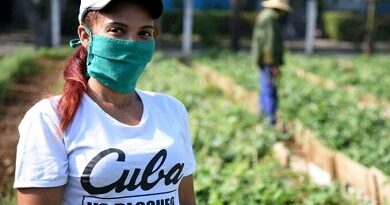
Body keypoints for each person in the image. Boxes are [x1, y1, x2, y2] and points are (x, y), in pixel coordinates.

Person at [13, 0, 197, 204]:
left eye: (144, 33)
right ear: (85, 36)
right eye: (117, 30)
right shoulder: (51, 117)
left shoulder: (171, 110)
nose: (132, 43)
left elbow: (186, 198)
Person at [251, 0, 291, 125]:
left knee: (265, 88)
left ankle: (262, 117)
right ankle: (270, 122)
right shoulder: (271, 18)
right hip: (269, 60)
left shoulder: (265, 15)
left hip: (263, 59)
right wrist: (274, 64)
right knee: (270, 91)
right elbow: (270, 42)